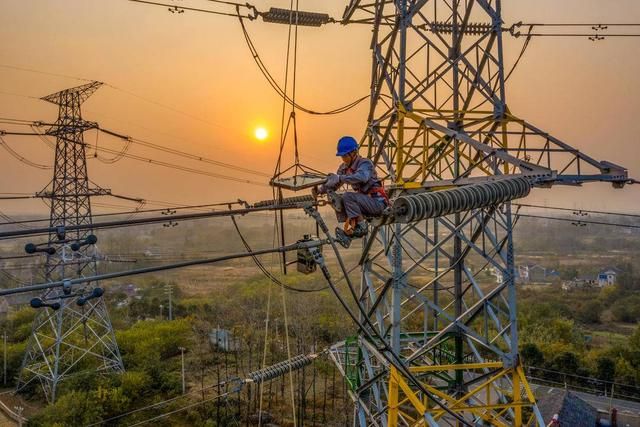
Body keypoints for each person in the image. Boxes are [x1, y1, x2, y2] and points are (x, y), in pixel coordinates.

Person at [315, 136, 388, 247]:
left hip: (377, 202)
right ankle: (352, 232)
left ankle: (361, 227)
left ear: (354, 153)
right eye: (342, 156)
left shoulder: (365, 164)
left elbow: (361, 177)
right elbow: (335, 184)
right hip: (365, 203)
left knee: (348, 196)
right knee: (338, 199)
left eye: (345, 155)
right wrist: (321, 190)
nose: (343, 159)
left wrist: (340, 178)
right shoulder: (344, 168)